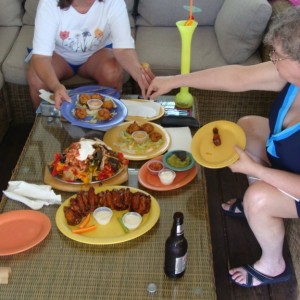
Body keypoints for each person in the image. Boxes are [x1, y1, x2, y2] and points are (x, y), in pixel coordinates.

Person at [147, 6, 300, 288]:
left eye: (278, 55)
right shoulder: (290, 75)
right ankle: (261, 199)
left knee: (258, 198)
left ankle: (273, 265)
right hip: (291, 161)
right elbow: (237, 78)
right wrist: (175, 81)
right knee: (248, 126)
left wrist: (256, 171)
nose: (273, 59)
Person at [27, 0, 154, 109]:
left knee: (113, 71)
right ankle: (44, 124)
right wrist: (55, 86)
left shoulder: (114, 2)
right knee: (37, 78)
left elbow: (123, 49)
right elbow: (41, 57)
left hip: (97, 54)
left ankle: (106, 121)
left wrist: (139, 75)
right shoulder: (49, 3)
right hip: (59, 55)